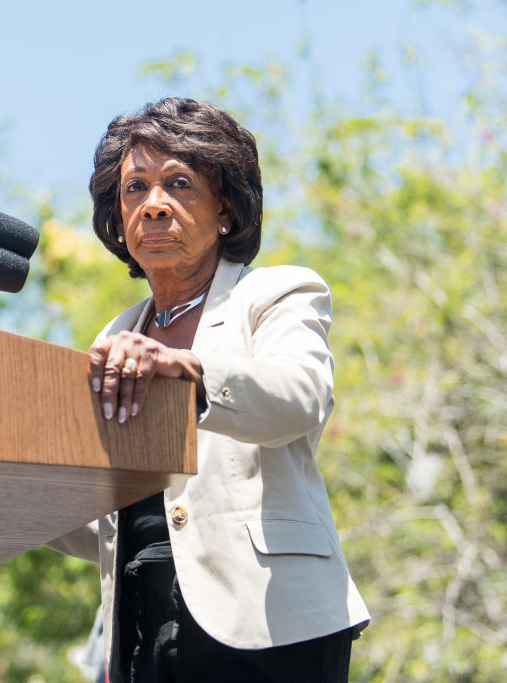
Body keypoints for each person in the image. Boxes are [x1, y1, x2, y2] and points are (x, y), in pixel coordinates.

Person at [48, 97, 370, 682]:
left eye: (178, 183)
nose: (153, 206)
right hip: (143, 620)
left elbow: (298, 397)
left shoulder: (276, 294)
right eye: (135, 189)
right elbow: (118, 517)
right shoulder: (116, 335)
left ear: (225, 208)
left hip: (272, 620)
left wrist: (191, 375)